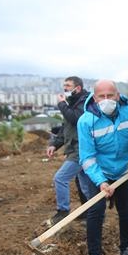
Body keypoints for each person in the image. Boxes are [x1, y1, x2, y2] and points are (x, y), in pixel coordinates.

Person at [77, 79, 128, 255]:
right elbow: (87, 158)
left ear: (118, 95)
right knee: (96, 212)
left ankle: (126, 248)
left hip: (125, 170)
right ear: (95, 97)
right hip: (99, 171)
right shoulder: (86, 121)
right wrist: (101, 181)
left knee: (125, 211)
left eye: (110, 95)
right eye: (102, 96)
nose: (106, 100)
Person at [46, 76, 89, 226]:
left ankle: (63, 211)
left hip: (81, 149)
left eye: (68, 86)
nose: (65, 88)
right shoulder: (72, 103)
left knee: (60, 178)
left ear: (77, 88)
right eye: (64, 85)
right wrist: (54, 144)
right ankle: (94, 212)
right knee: (85, 185)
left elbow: (76, 119)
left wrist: (62, 104)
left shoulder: (84, 103)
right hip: (74, 149)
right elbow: (66, 128)